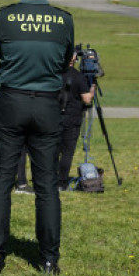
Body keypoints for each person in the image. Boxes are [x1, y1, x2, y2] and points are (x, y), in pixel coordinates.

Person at [0, 0, 74, 275]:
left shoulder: (3, 17)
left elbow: (1, 53)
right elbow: (65, 63)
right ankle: (48, 259)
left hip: (12, 101)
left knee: (1, 181)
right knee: (47, 185)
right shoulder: (63, 20)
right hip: (47, 104)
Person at [58, 51, 97, 190]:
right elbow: (87, 99)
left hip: (54, 117)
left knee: (53, 151)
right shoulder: (78, 77)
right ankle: (61, 183)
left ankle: (48, 179)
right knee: (67, 153)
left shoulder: (54, 74)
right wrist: (92, 86)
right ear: (73, 59)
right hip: (72, 118)